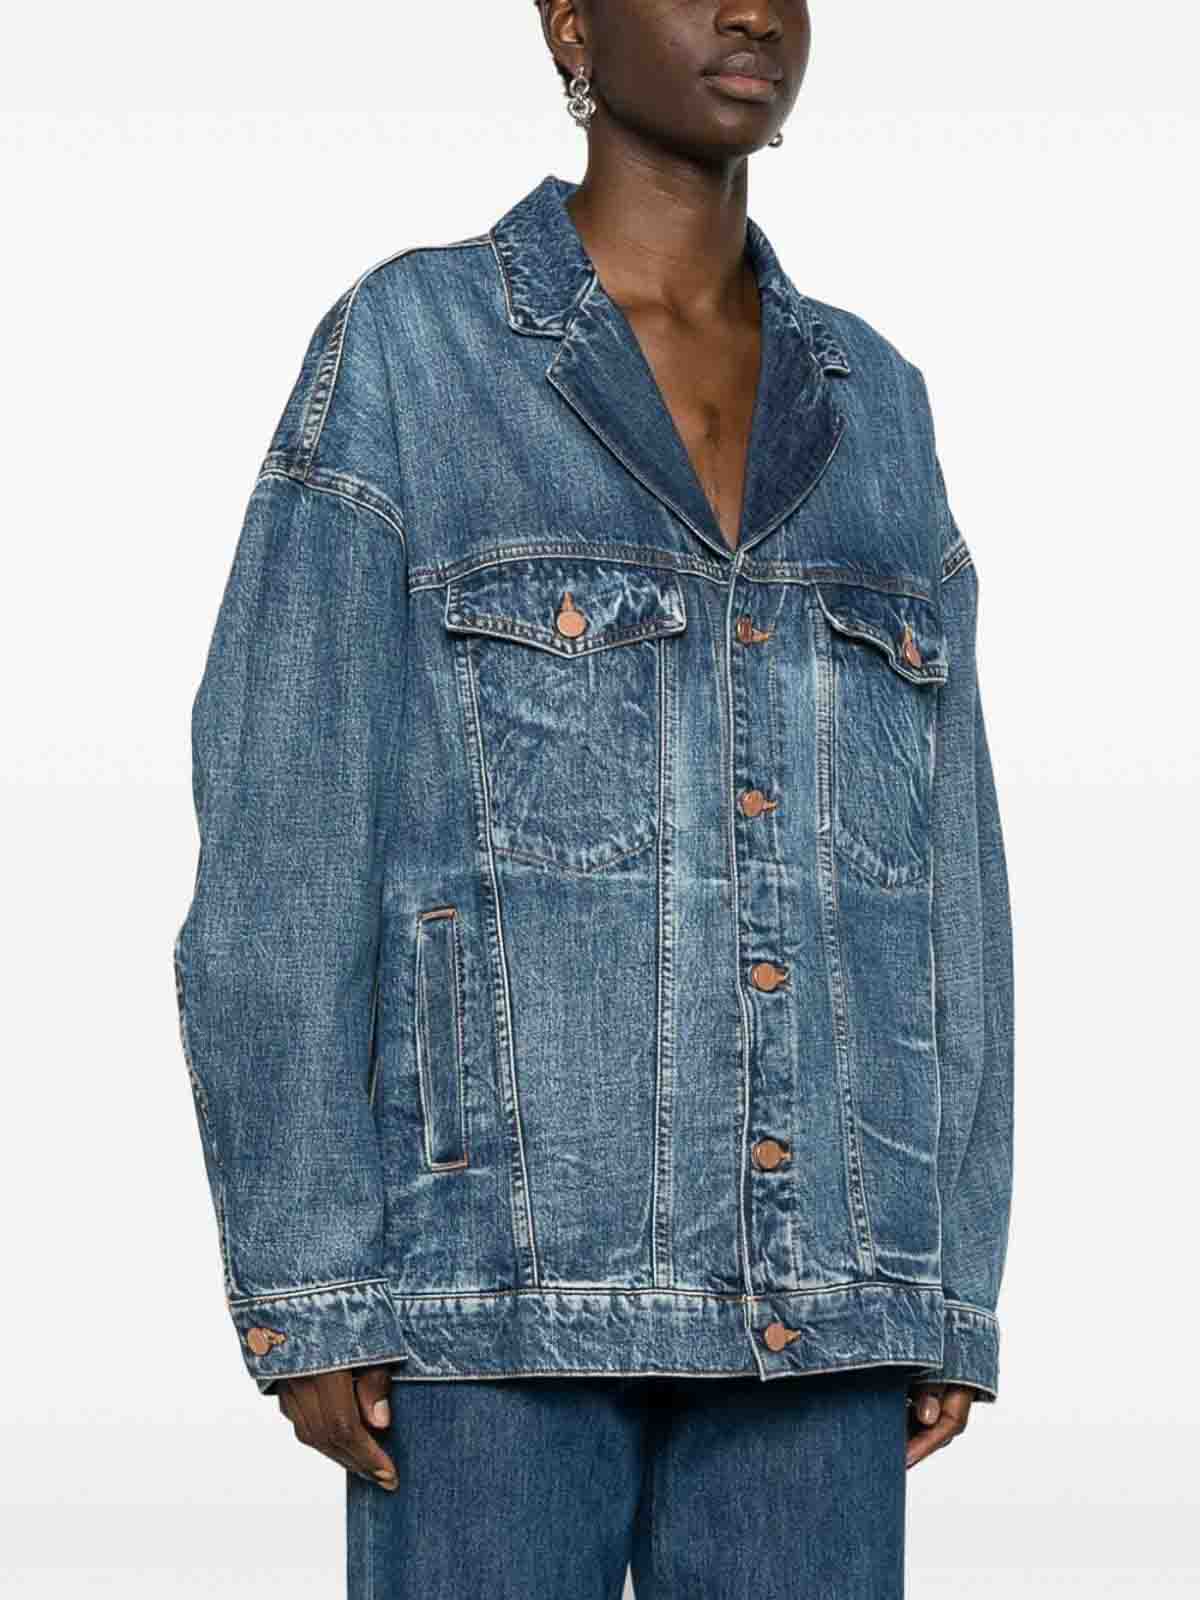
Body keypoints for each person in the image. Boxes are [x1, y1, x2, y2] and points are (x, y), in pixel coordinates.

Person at [172, 2, 1015, 1594]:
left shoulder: (877, 401)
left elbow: (950, 876)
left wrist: (947, 1275)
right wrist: (311, 1281)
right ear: (570, 21)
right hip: (488, 1290)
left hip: (825, 1293)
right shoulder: (415, 350)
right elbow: (284, 829)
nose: (753, 11)